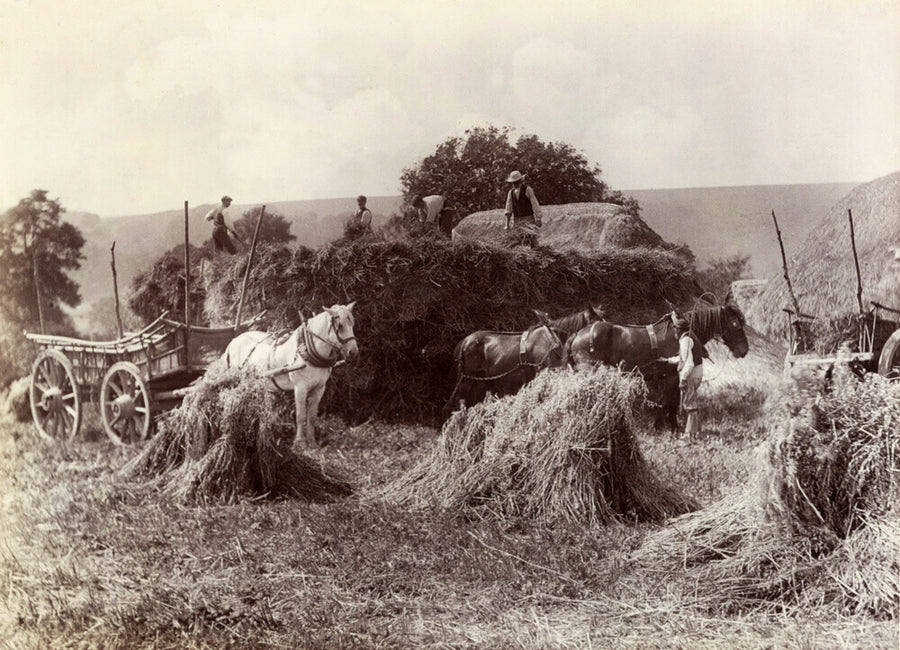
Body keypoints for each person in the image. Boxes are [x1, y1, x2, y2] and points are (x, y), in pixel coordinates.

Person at [660, 314, 705, 437]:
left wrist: (683, 379)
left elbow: (689, 363)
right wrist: (667, 360)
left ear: (679, 330)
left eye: (675, 329)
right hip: (695, 372)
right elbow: (682, 359)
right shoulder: (689, 339)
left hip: (691, 374)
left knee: (689, 403)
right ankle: (696, 431)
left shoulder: (685, 340)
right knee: (690, 402)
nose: (675, 331)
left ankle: (690, 434)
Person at [503, 170, 542, 244]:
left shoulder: (527, 189)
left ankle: (536, 252)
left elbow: (535, 204)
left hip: (528, 220)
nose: (514, 183)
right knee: (517, 240)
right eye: (513, 182)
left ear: (521, 180)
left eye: (516, 181)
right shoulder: (511, 192)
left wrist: (538, 218)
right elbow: (508, 209)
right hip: (517, 220)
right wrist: (507, 225)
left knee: (532, 239)